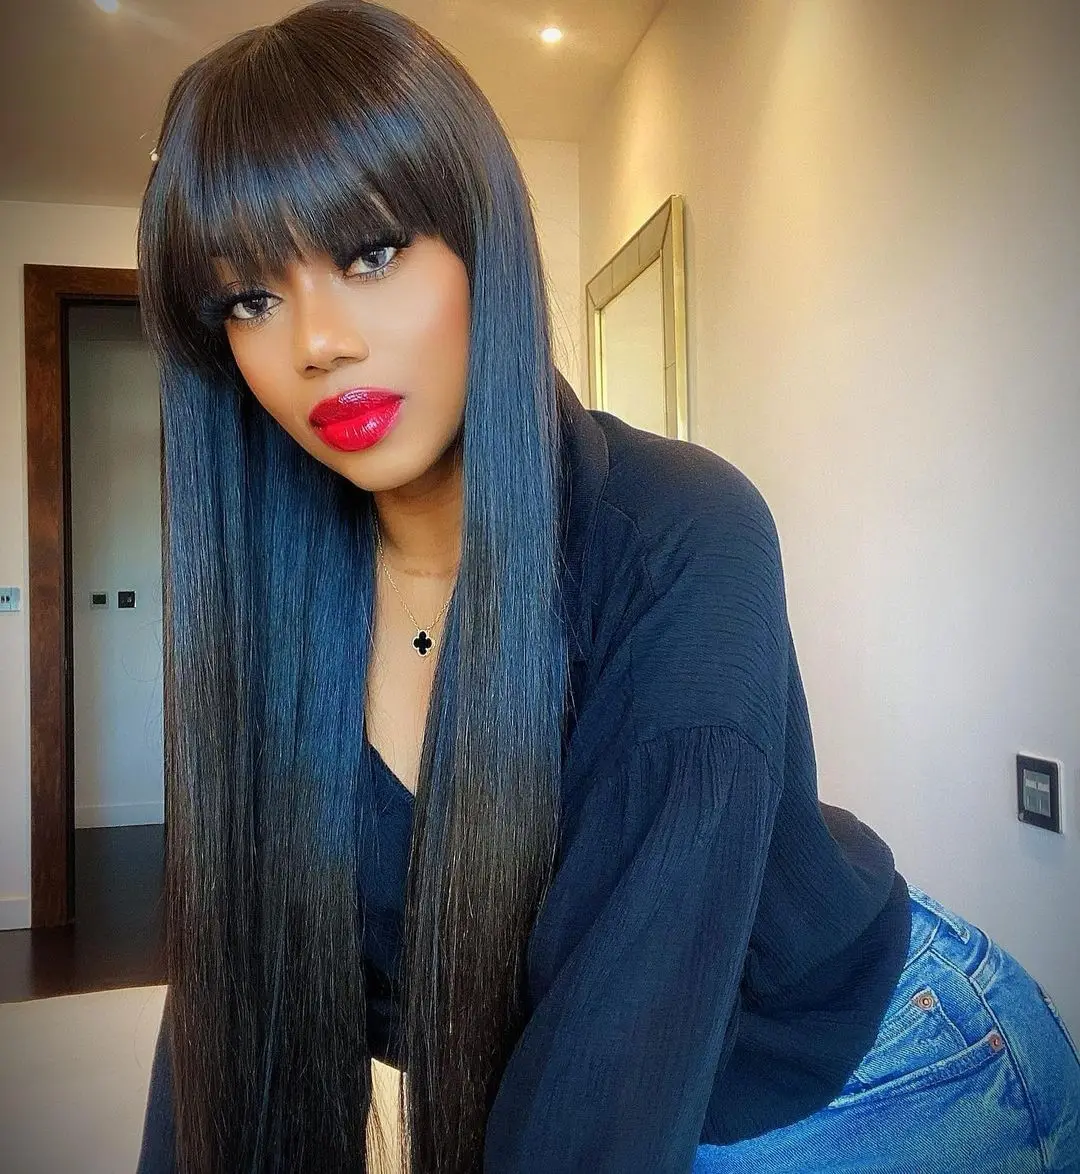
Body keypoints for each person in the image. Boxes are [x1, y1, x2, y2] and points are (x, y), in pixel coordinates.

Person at [133, 1, 1080, 1171]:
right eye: (250, 298)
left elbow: (604, 1077)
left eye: (368, 254)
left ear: (479, 243)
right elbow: (230, 1006)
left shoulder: (682, 534)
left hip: (884, 1077)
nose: (316, 340)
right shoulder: (277, 606)